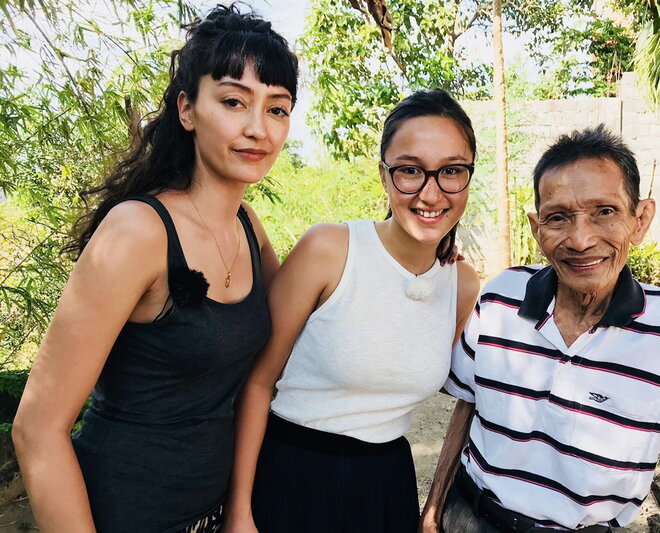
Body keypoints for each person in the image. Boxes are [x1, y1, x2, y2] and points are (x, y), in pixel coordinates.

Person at [421, 125, 660, 533]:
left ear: (640, 220)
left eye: (605, 212)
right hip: (467, 515)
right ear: (537, 228)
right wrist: (433, 508)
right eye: (558, 218)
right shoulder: (501, 298)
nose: (581, 240)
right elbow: (468, 403)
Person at [12, 5, 298, 532]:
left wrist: (417, 249)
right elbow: (37, 428)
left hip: (211, 514)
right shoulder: (138, 231)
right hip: (121, 513)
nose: (258, 128)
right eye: (233, 101)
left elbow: (305, 325)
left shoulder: (247, 226)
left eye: (277, 109)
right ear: (187, 109)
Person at [222, 88, 481, 533]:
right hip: (293, 477)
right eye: (410, 170)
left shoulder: (463, 284)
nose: (431, 192)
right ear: (384, 175)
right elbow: (258, 382)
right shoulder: (330, 250)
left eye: (451, 171)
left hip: (386, 486)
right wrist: (239, 510)